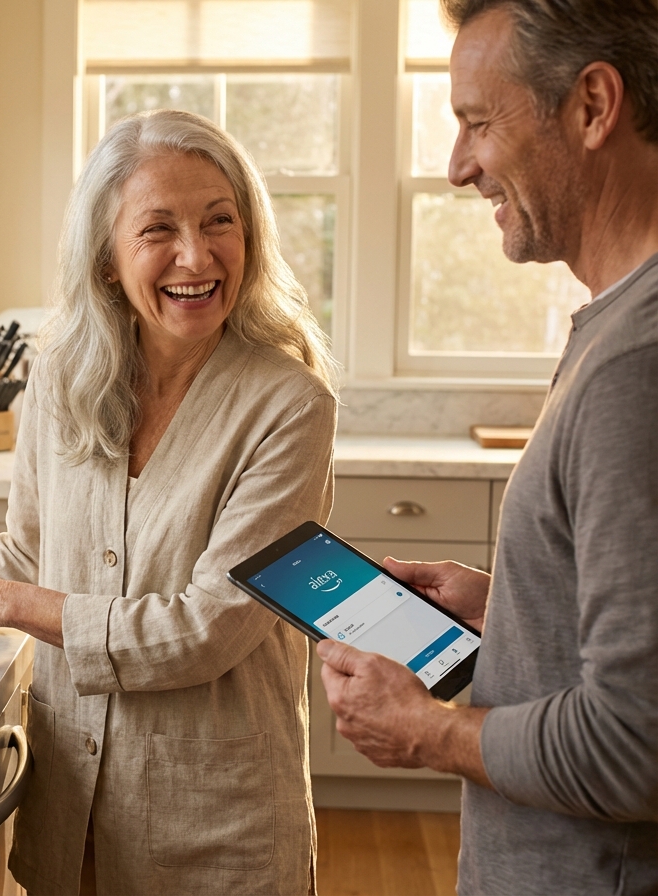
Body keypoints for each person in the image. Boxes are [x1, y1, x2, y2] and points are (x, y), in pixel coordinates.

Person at [0, 109, 339, 894]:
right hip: (71, 810)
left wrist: (6, 602)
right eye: (159, 229)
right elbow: (27, 549)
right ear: (108, 259)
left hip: (215, 828)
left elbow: (206, 630)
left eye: (220, 221)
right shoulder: (58, 380)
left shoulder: (288, 406)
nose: (197, 254)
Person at [316, 2, 658, 893]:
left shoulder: (636, 368)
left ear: (592, 106)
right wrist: (509, 611)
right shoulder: (615, 322)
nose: (458, 165)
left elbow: (638, 742)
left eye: (477, 122)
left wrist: (426, 729)